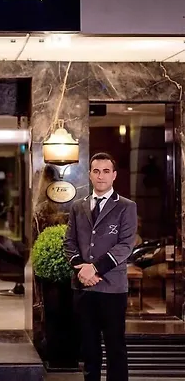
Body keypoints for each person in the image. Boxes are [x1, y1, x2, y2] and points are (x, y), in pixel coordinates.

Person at [64, 152, 137, 381]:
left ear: (114, 175)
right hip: (83, 288)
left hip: (112, 288)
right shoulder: (78, 206)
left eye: (106, 171)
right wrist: (82, 269)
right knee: (89, 349)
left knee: (116, 348)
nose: (101, 176)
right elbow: (69, 243)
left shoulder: (126, 207)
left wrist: (94, 269)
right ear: (89, 175)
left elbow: (125, 245)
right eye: (96, 171)